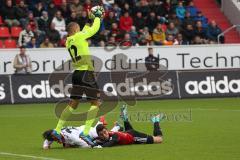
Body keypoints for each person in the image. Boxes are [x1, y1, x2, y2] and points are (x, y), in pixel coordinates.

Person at [51, 8, 103, 144]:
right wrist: (97, 18)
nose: (81, 30)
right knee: (96, 103)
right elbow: (93, 30)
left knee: (73, 104)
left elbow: (85, 30)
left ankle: (57, 130)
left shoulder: (68, 41)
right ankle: (85, 133)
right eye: (79, 28)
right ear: (75, 30)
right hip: (86, 73)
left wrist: (89, 19)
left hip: (76, 74)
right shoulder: (80, 36)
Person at [96, 106, 163, 147]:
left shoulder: (114, 135)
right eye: (101, 135)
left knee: (159, 139)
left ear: (107, 130)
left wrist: (100, 146)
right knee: (128, 132)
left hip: (134, 137)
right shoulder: (107, 134)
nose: (104, 135)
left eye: (105, 132)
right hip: (128, 132)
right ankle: (125, 119)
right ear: (99, 136)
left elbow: (110, 143)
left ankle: (156, 120)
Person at [42, 117, 116, 149]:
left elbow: (86, 145)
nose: (55, 141)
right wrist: (45, 146)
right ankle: (100, 121)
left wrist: (72, 146)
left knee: (106, 136)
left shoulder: (72, 137)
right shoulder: (56, 131)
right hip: (80, 129)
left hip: (87, 133)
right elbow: (49, 138)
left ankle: (117, 127)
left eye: (55, 139)